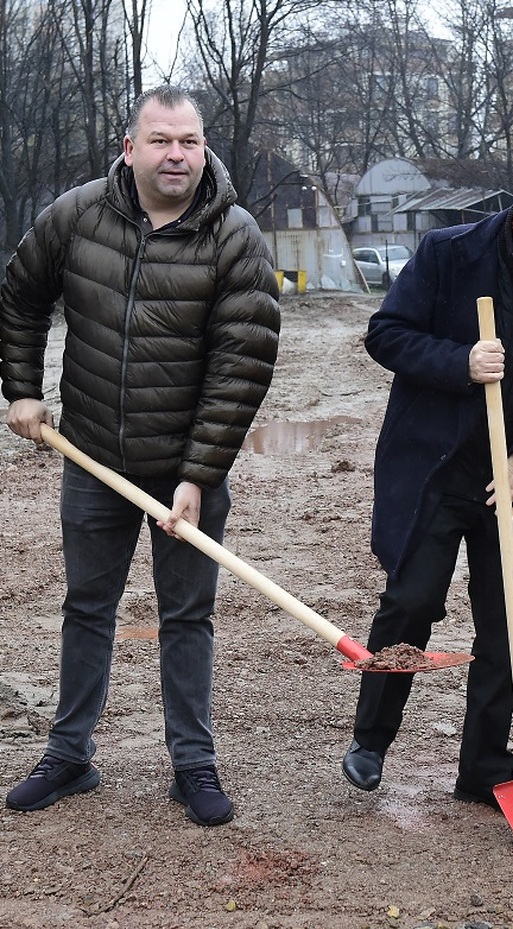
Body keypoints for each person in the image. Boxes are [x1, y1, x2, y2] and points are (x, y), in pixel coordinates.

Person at [0, 85, 280, 826]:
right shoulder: (77, 213)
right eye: (161, 140)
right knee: (86, 606)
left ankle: (193, 764)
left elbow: (242, 365)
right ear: (130, 148)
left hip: (186, 469)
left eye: (189, 141)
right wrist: (21, 389)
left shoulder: (235, 236)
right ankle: (69, 755)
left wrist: (196, 475)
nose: (177, 154)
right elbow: (21, 296)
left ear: (204, 147)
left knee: (187, 614)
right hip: (91, 455)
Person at [340, 161, 513, 807]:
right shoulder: (448, 254)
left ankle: (484, 771)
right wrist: (458, 361)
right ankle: (371, 740)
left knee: (506, 625)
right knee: (410, 603)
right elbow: (387, 335)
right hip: (435, 466)